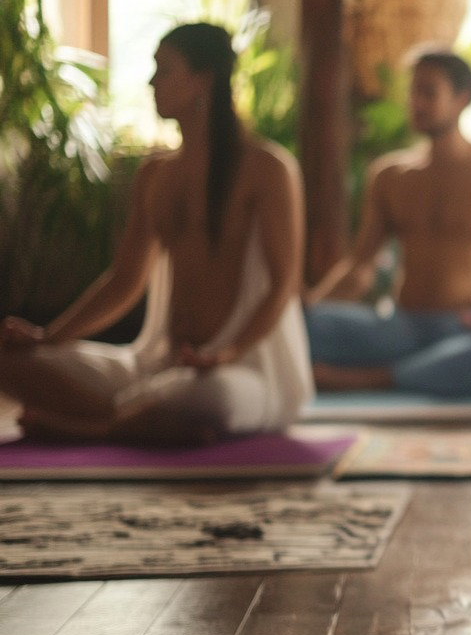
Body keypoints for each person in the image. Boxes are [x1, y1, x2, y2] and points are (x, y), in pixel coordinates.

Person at [0, 23, 311, 446]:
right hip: (158, 364)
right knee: (11, 360)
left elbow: (283, 286)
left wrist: (224, 355)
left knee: (210, 397)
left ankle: (90, 427)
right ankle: (136, 423)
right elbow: (125, 282)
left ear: (203, 81)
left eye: (163, 71)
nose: (150, 82)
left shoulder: (269, 170)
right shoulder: (155, 174)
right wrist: (47, 338)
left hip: (239, 370)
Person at [303, 49, 471, 397]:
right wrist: (309, 307)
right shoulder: (389, 176)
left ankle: (373, 379)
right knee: (301, 326)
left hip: (468, 329)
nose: (415, 102)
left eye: (428, 92)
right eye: (412, 92)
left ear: (462, 99)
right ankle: (428, 371)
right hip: (399, 327)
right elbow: (360, 269)